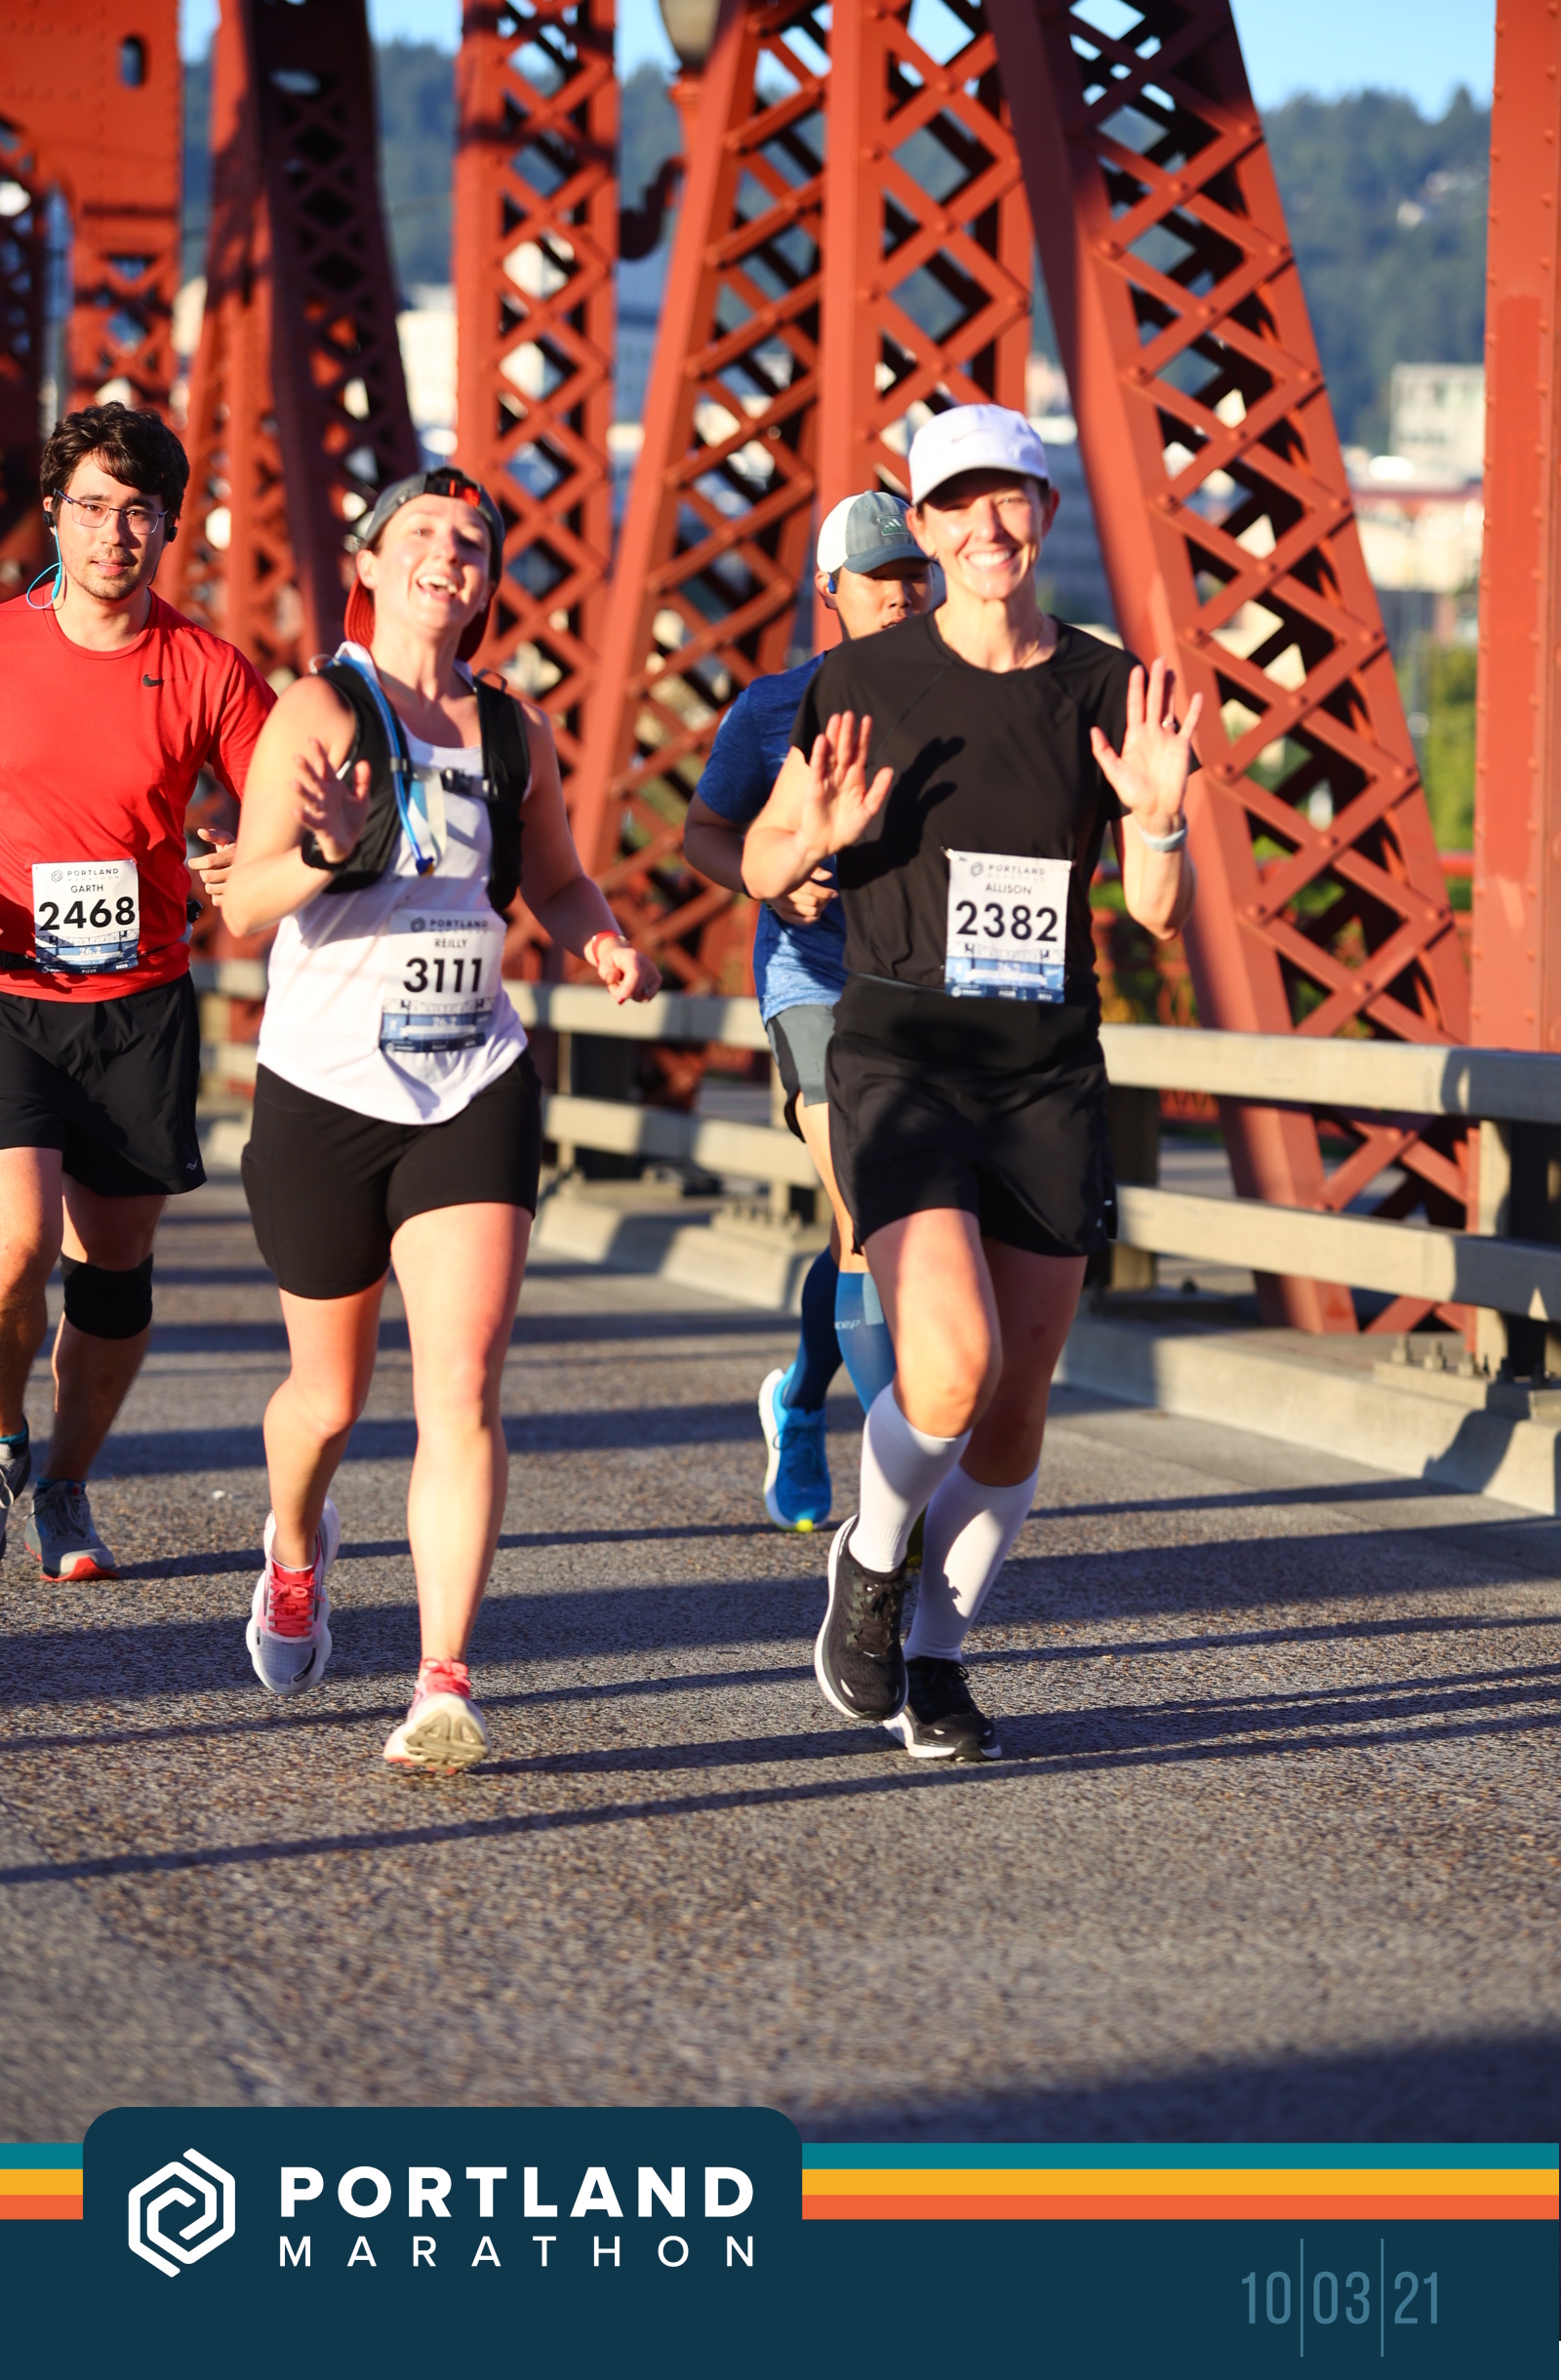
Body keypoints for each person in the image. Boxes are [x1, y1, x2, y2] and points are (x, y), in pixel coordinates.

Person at [741, 404, 1199, 1761]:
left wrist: (1162, 819)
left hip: (1046, 1077)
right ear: (927, 530)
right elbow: (762, 860)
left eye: (1012, 500)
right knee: (949, 1367)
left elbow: (1160, 912)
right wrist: (810, 837)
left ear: (1044, 516)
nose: (988, 526)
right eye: (958, 505)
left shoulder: (1107, 687)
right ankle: (873, 1559)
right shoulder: (864, 678)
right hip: (902, 1064)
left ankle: (935, 1661)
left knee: (1012, 1411)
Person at [223, 466, 660, 1773]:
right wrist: (323, 848)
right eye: (422, 532)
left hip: (470, 1079)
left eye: (472, 540)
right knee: (327, 1398)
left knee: (460, 1386)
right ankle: (293, 1547)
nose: (449, 554)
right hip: (324, 1087)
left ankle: (442, 1681)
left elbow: (560, 882)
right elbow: (243, 903)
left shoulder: (513, 728)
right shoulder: (319, 708)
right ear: (371, 561)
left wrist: (600, 940)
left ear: (485, 582)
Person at [0, 402, 266, 1580]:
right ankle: (0, 1435)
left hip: (139, 1003)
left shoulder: (207, 667)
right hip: (9, 990)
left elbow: (285, 811)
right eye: (94, 507)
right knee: (15, 1246)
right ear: (53, 514)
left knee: (111, 1272)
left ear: (167, 526)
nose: (115, 534)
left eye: (139, 512)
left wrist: (245, 857)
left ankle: (63, 1482)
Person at [683, 491, 934, 1531]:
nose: (901, 595)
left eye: (914, 575)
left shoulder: (969, 701)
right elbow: (705, 834)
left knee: (873, 1229)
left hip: (924, 989)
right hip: (814, 978)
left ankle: (796, 1398)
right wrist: (771, 881)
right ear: (830, 591)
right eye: (878, 579)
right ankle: (902, 1493)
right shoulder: (773, 707)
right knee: (869, 1209)